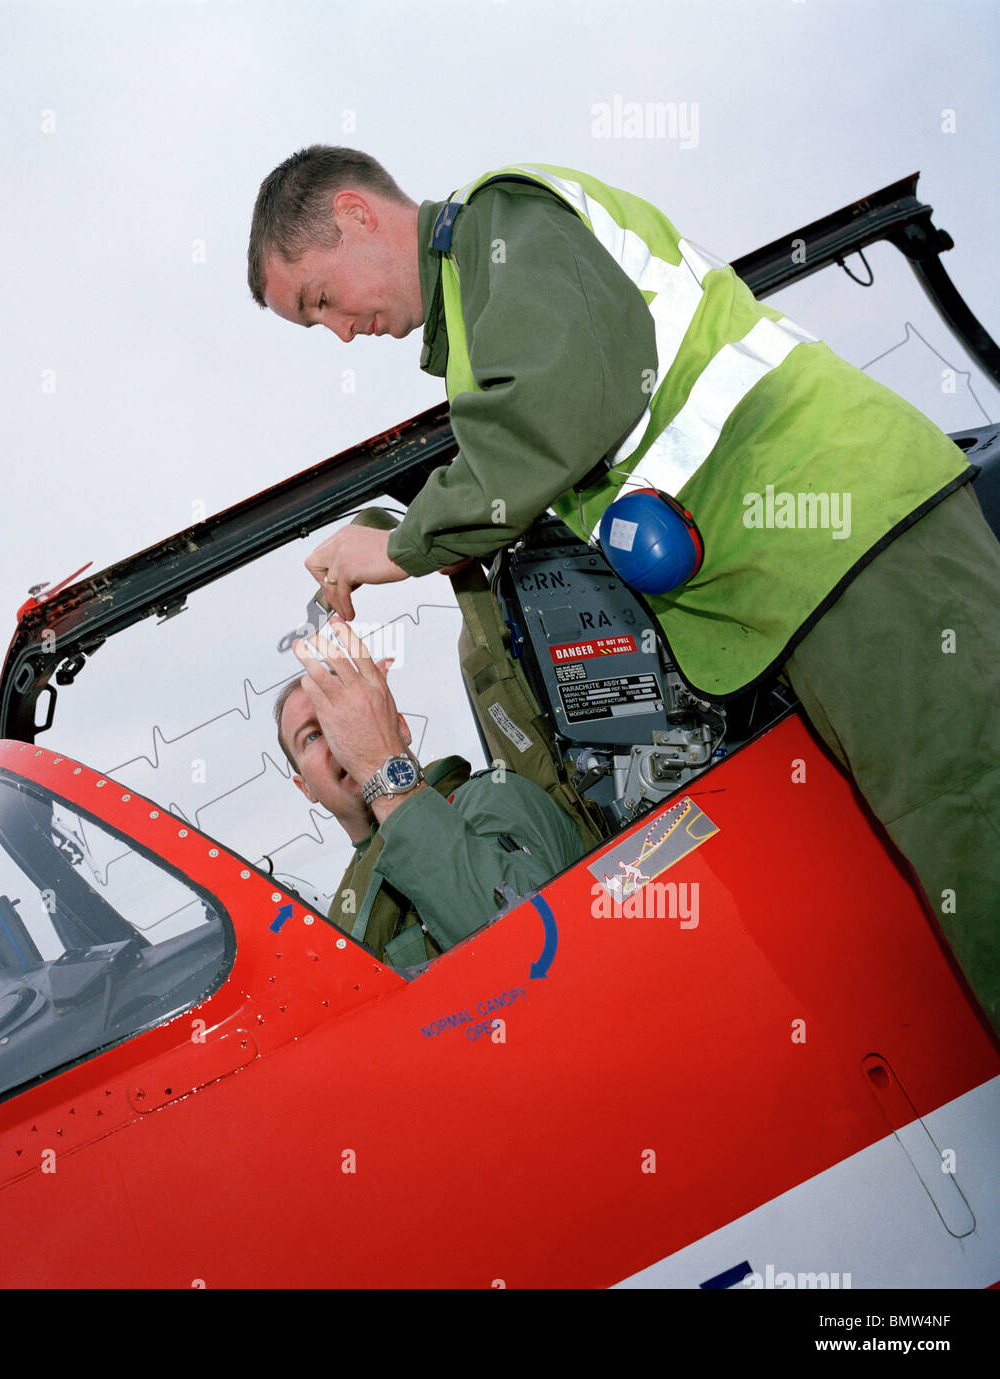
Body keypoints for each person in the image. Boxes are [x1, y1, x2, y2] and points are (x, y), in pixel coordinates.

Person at [249, 146, 1000, 1032]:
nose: (339, 332)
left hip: (843, 534)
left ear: (356, 213)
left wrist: (399, 547)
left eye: (320, 299)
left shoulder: (501, 226)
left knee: (974, 832)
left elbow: (565, 400)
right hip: (791, 585)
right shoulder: (476, 324)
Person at [278, 617, 583, 966]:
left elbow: (536, 950)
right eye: (313, 735)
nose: (338, 734)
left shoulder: (492, 798)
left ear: (401, 726)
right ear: (305, 788)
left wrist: (382, 766)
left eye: (345, 715)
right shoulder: (338, 924)